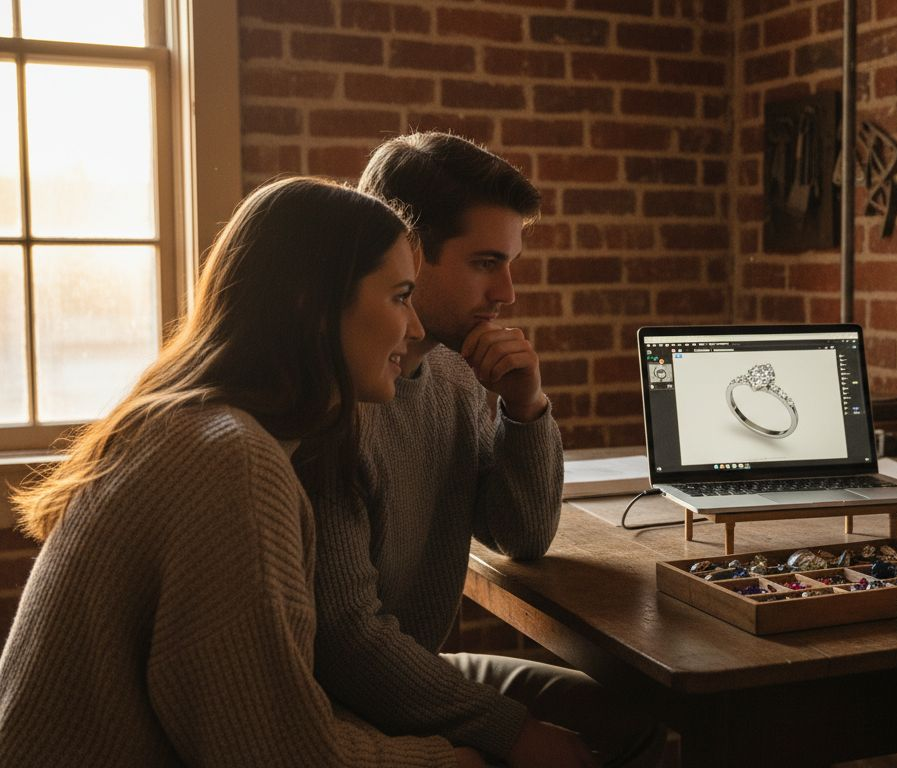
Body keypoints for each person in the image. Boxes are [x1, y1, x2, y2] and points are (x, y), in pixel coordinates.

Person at [0, 177, 488, 764]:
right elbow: (278, 755)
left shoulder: (192, 426)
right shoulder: (232, 463)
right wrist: (464, 762)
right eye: (400, 296)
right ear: (312, 304)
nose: (414, 329)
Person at [308, 132, 661, 768]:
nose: (507, 292)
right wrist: (515, 732)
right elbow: (349, 646)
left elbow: (521, 536)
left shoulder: (455, 372)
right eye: (484, 263)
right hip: (344, 700)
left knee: (642, 726)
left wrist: (526, 409)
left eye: (511, 263)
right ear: (406, 254)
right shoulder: (331, 409)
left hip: (415, 665)